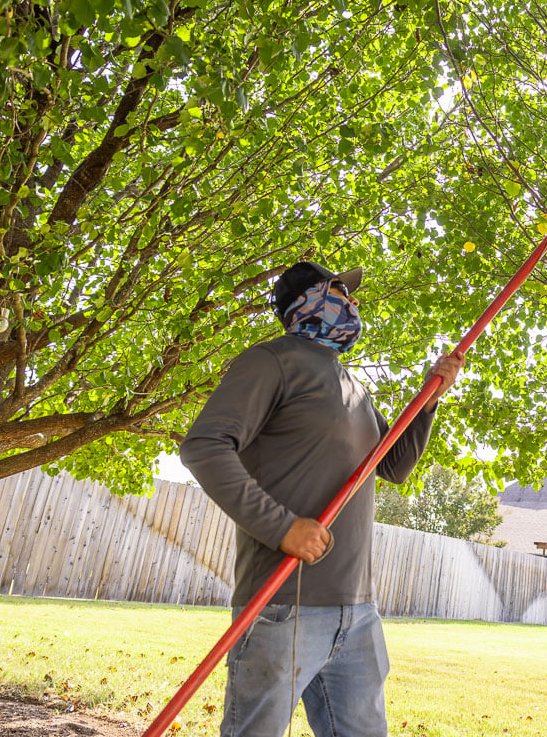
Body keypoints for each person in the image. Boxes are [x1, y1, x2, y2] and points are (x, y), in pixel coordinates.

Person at [180, 260, 463, 737]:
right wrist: (282, 527)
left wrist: (428, 400)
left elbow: (393, 466)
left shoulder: (352, 386)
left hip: (357, 611)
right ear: (307, 300)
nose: (352, 303)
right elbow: (203, 447)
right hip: (281, 607)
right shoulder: (270, 361)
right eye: (341, 292)